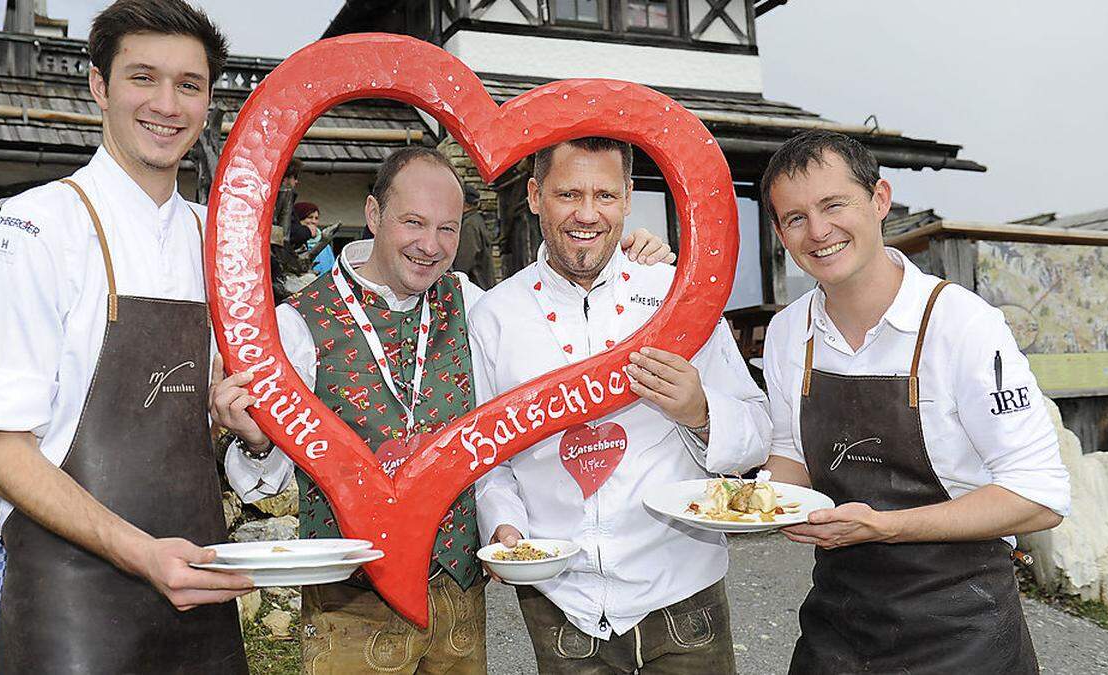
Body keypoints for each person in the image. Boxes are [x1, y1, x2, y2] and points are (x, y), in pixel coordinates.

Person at [211, 145, 674, 674]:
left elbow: (560, 335)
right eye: (413, 223)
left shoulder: (474, 301)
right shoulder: (296, 325)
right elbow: (265, 482)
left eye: (447, 229)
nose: (430, 246)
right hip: (350, 601)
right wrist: (255, 441)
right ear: (373, 213)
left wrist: (636, 267)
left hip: (457, 594)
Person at [0, 2, 251, 673]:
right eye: (142, 77)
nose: (166, 105)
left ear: (209, 100)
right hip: (63, 602)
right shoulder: (30, 232)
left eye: (189, 85)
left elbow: (227, 420)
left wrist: (247, 428)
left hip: (198, 589)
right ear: (99, 86)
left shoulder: (220, 242)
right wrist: (143, 552)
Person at [758, 130, 1069, 674]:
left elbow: (1039, 495)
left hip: (963, 628)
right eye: (795, 217)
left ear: (879, 199)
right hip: (840, 623)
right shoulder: (789, 332)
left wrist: (886, 526)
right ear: (780, 231)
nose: (819, 231)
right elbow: (791, 456)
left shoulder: (963, 325)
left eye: (834, 205)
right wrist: (757, 502)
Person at [469, 137, 772, 674]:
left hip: (682, 590)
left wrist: (701, 411)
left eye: (605, 195)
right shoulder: (495, 315)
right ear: (536, 196)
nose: (587, 215)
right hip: (561, 604)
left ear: (629, 198)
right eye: (568, 194)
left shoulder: (677, 292)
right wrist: (504, 525)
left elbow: (756, 427)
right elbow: (488, 456)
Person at [452, 185, 494, 289]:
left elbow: (464, 261)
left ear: (464, 203)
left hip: (476, 285)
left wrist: (455, 282)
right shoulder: (475, 220)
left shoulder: (470, 225)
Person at [290, 201, 336, 275]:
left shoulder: (325, 243)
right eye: (310, 217)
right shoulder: (294, 243)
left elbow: (332, 267)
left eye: (316, 218)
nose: (314, 221)